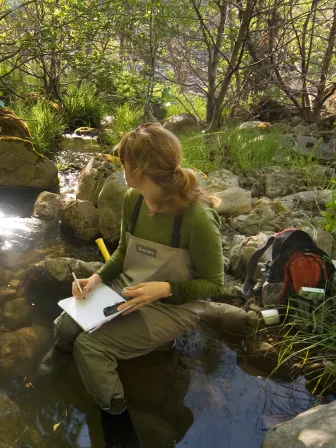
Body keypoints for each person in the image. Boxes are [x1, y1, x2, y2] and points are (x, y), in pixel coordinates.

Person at [38, 122, 224, 416]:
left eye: (123, 160)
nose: (120, 165)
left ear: (137, 170)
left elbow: (215, 284)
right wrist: (96, 279)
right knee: (65, 324)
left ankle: (115, 412)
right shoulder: (132, 200)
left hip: (174, 306)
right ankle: (60, 358)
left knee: (90, 347)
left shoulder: (198, 218)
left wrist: (166, 289)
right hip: (128, 286)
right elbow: (124, 253)